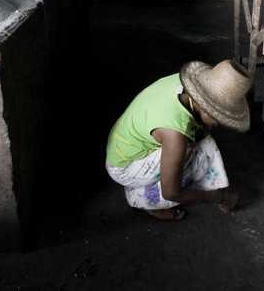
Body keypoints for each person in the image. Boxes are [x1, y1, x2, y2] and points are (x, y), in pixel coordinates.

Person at [105, 59, 253, 221]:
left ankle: (216, 186)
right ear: (206, 106)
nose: (219, 122)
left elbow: (200, 127)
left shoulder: (186, 85)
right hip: (122, 168)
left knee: (203, 142)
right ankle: (141, 199)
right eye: (220, 116)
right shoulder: (175, 134)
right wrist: (219, 197)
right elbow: (172, 192)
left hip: (121, 144)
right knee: (196, 161)